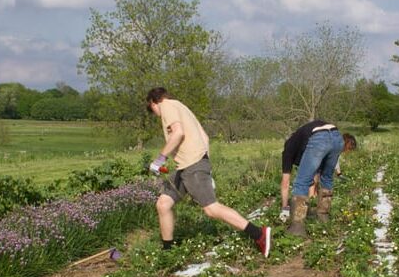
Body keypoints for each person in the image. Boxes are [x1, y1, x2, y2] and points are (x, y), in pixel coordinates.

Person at [145, 88, 271, 257]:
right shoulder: (183, 108)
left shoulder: (166, 105)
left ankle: (259, 234)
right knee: (163, 204)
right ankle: (168, 251)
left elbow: (178, 133)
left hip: (192, 165)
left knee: (211, 209)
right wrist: (207, 167)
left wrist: (160, 159)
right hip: (186, 166)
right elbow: (205, 138)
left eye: (151, 109)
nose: (155, 114)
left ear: (153, 102)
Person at [279, 122, 352, 236]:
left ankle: (297, 227)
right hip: (337, 137)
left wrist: (284, 207)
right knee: (327, 178)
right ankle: (323, 216)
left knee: (301, 181)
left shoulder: (288, 151)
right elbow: (316, 173)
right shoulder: (303, 142)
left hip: (320, 137)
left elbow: (285, 182)